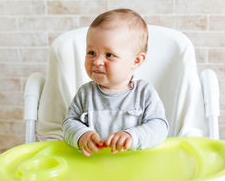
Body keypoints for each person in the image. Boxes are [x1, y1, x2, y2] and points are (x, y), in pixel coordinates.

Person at [62, 9, 168, 156]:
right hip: (94, 167)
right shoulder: (85, 93)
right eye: (91, 52)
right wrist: (81, 135)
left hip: (134, 167)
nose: (97, 61)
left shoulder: (144, 93)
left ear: (136, 61)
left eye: (109, 55)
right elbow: (69, 123)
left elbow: (160, 127)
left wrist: (133, 136)